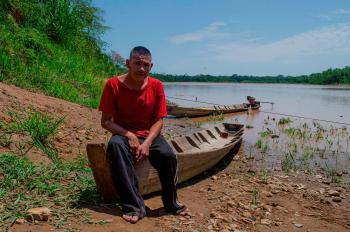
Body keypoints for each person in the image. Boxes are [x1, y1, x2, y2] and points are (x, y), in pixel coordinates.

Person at [98, 46, 186, 223]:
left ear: (151, 66)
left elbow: (159, 121)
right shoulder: (112, 85)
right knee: (115, 146)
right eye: (137, 63)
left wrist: (146, 143)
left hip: (150, 134)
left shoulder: (156, 85)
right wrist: (129, 135)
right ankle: (133, 206)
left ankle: (171, 202)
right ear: (128, 63)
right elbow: (106, 121)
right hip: (123, 133)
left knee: (168, 155)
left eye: (146, 65)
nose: (141, 68)